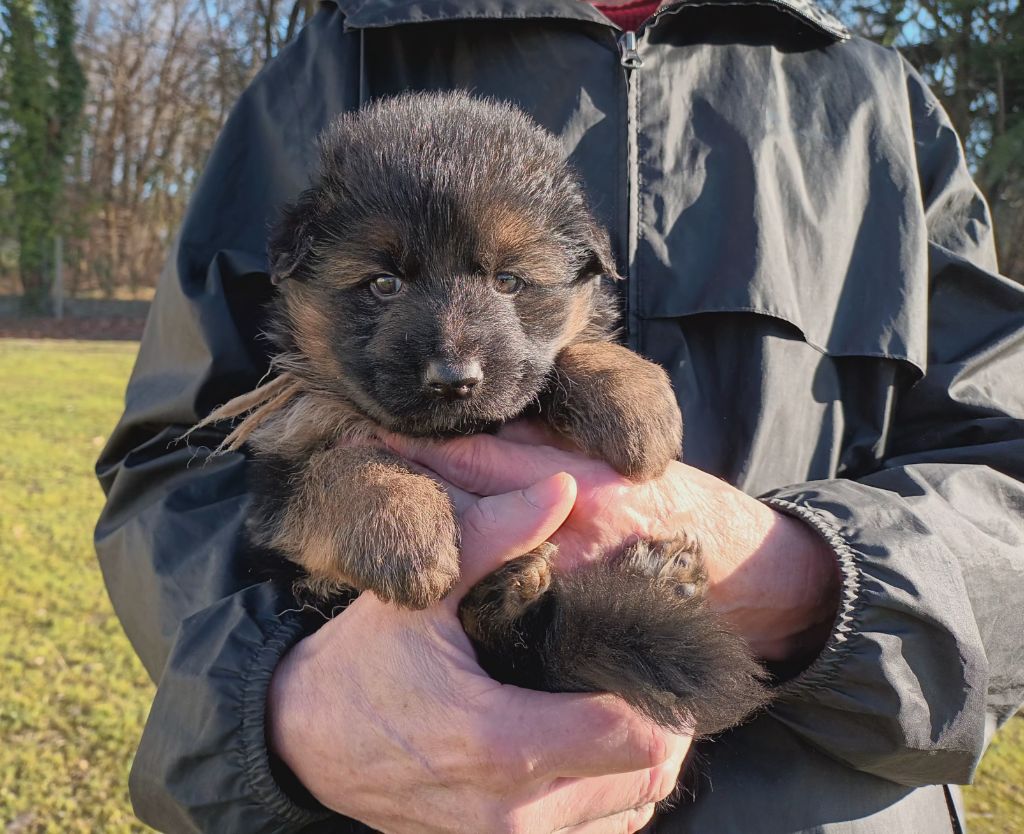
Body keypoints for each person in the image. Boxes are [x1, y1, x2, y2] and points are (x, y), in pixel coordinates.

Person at [94, 1, 1024, 832]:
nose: (455, 356)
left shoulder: (873, 99)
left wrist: (811, 575)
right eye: (379, 282)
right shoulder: (335, 61)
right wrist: (279, 703)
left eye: (509, 281)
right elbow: (177, 466)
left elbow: (1004, 468)